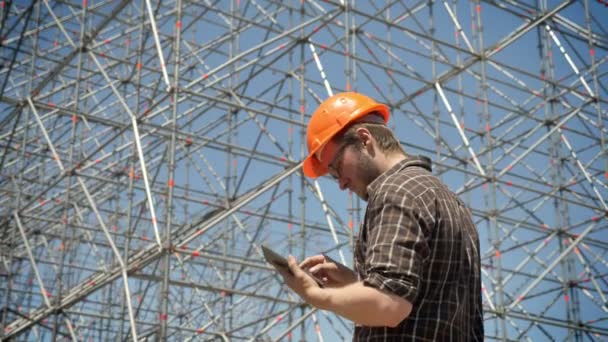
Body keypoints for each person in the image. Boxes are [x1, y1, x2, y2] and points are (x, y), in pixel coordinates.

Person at [276, 92, 484, 341]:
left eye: (337, 167)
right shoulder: (448, 199)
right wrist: (355, 283)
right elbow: (422, 301)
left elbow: (390, 305)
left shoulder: (395, 191)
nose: (341, 183)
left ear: (364, 139)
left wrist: (316, 295)